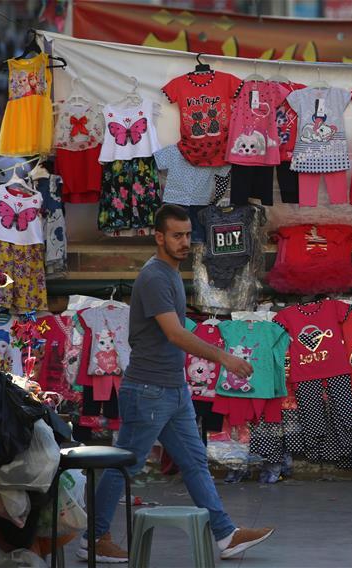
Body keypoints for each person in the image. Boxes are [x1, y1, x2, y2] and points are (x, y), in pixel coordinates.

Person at [80, 205, 273, 563]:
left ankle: (225, 535)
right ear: (159, 237)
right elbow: (174, 334)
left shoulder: (169, 274)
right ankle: (95, 537)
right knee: (127, 464)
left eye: (187, 235)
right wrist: (224, 358)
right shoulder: (154, 277)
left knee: (195, 463)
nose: (185, 242)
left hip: (173, 389)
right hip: (149, 390)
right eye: (177, 235)